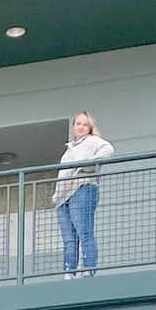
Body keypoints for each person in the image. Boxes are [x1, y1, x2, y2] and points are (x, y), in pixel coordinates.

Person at [54, 112, 115, 275]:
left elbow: (108, 150)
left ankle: (88, 269)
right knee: (69, 240)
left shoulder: (92, 141)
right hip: (63, 197)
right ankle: (69, 273)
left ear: (90, 128)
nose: (80, 127)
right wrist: (56, 196)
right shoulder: (68, 150)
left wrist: (86, 167)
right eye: (78, 124)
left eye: (84, 124)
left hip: (82, 189)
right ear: (73, 126)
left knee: (84, 232)